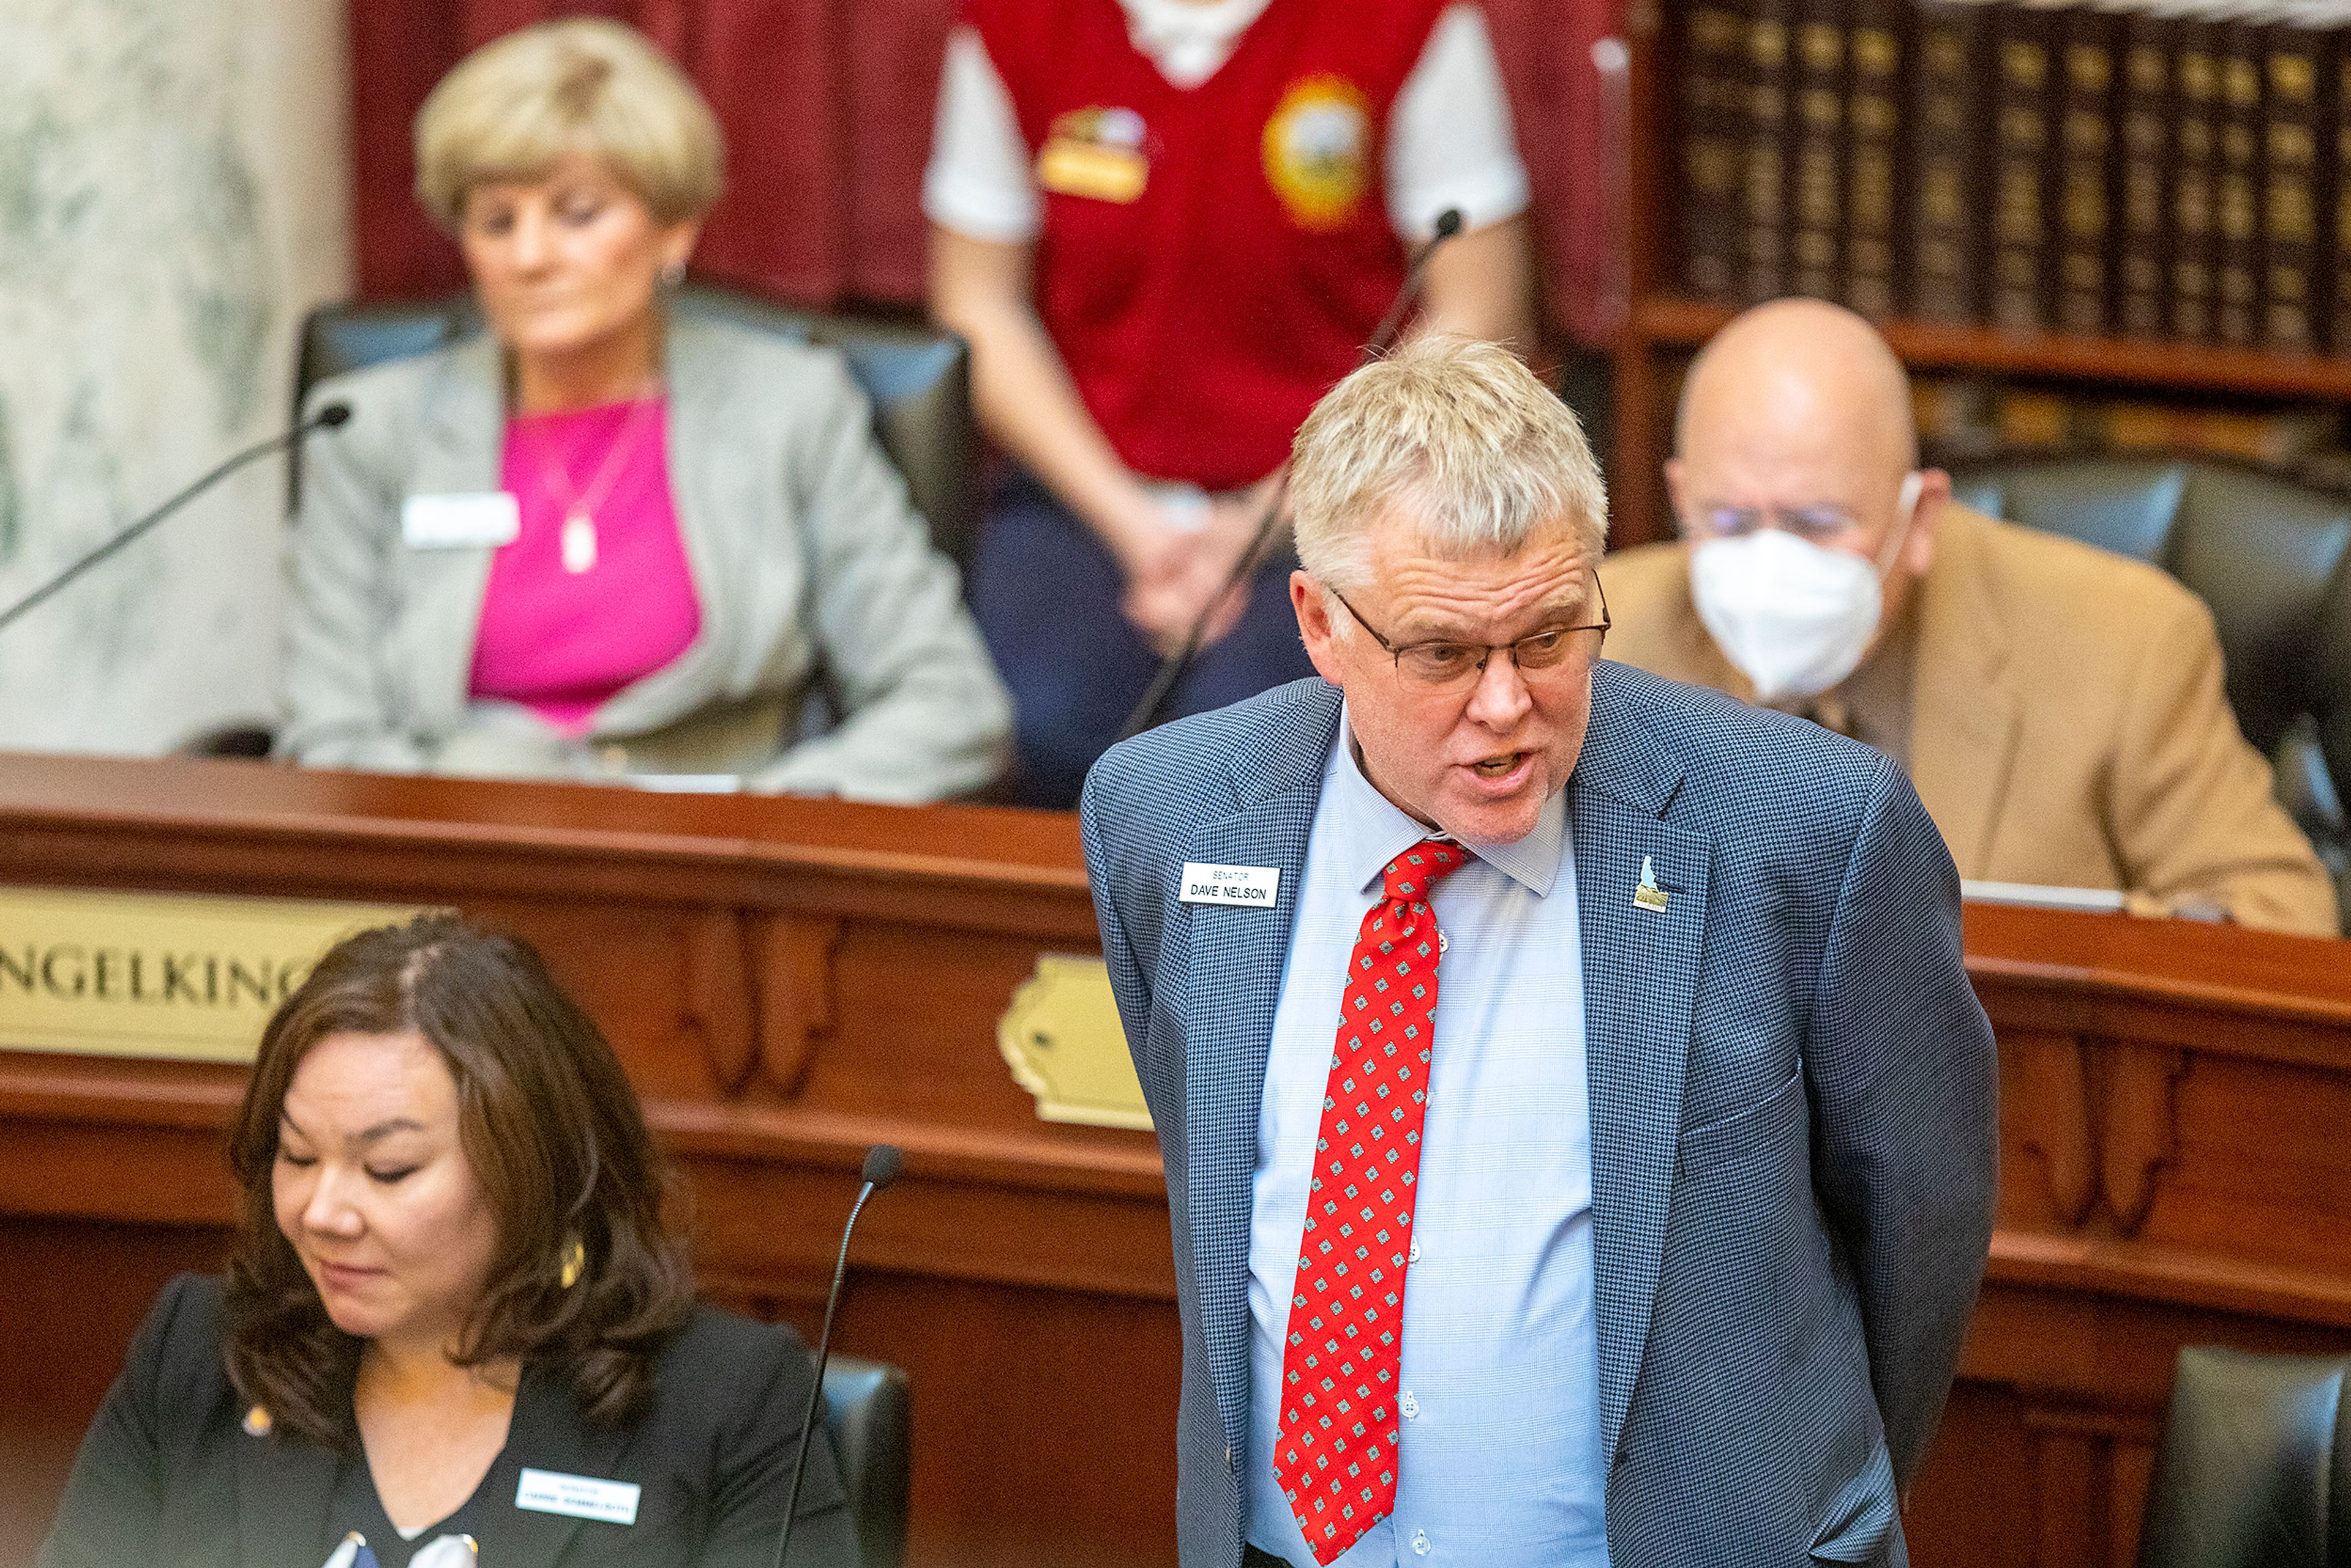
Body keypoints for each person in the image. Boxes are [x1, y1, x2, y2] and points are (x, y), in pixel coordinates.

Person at [1081, 336, 1996, 1566]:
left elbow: (1918, 1237)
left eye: (1552, 637)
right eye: (1445, 653)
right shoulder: (1167, 814)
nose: (1507, 705)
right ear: (1319, 621)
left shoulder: (1810, 833)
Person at [283, 19, 1010, 801]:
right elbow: (331, 738)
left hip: (724, 867)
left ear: (674, 229)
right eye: (497, 220)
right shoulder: (365, 428)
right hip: (456, 854)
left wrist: (775, 824)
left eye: (577, 213)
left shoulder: (789, 405)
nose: (530, 257)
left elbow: (951, 704)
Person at [36, 913, 855, 1568]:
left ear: (530, 1168)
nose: (322, 1210)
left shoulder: (725, 1403)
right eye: (297, 1156)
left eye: (387, 1169)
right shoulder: (201, 1352)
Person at [926, 0, 1537, 807]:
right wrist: (1138, 530)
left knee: (1254, 749)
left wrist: (1262, 518)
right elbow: (977, 303)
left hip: (1339, 499)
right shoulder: (1017, 23)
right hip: (1089, 493)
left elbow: (1479, 312)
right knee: (1036, 719)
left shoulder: (1410, 19)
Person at [1598, 298, 2340, 936]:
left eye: (1817, 522)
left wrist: (2071, 953)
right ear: (1679, 497)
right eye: (1727, 520)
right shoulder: (1595, 636)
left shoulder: (2126, 643)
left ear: (1919, 518)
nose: (1769, 561)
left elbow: (2280, 915)